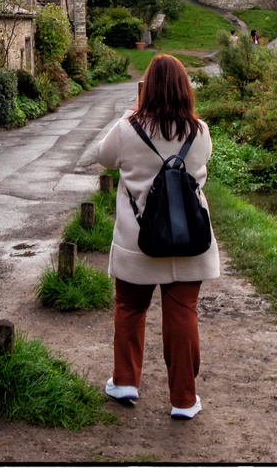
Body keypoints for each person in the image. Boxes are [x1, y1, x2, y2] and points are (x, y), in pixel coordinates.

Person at [95, 54, 220, 419]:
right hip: (190, 241)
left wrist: (130, 113)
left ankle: (125, 381)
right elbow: (203, 163)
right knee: (183, 314)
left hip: (140, 242)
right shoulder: (200, 132)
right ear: (185, 89)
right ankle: (183, 399)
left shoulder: (127, 130)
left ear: (146, 89)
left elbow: (103, 157)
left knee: (131, 308)